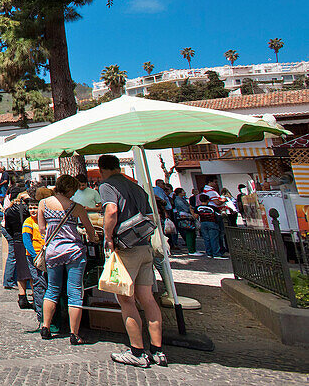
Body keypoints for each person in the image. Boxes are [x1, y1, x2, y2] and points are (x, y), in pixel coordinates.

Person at [98, 154, 167, 368]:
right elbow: (148, 215)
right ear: (119, 166)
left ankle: (137, 351)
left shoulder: (107, 185)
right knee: (147, 298)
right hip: (144, 246)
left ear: (102, 170)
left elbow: (111, 210)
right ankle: (157, 350)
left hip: (126, 249)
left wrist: (108, 237)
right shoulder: (136, 187)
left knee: (126, 300)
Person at [38, 175, 98, 345]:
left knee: (52, 290)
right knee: (75, 293)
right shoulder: (76, 207)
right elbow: (90, 229)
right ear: (70, 189)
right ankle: (74, 333)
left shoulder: (44, 204)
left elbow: (42, 229)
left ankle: (46, 327)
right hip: (73, 252)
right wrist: (92, 238)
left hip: (53, 251)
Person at [22, 188, 52, 323]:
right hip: (34, 256)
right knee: (39, 282)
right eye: (31, 208)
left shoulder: (45, 219)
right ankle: (41, 314)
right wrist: (34, 255)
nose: (33, 210)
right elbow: (26, 240)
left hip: (47, 254)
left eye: (35, 208)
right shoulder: (28, 222)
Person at [4, 189, 33, 309]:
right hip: (29, 238)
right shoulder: (28, 210)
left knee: (21, 269)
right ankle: (36, 297)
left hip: (16, 239)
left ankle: (22, 297)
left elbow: (7, 227)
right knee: (32, 269)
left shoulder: (9, 211)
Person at [172, 187, 200, 255]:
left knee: (192, 232)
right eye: (183, 191)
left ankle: (193, 249)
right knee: (189, 232)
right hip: (185, 217)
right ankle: (191, 250)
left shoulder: (182, 199)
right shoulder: (178, 200)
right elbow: (186, 208)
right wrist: (190, 209)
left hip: (187, 216)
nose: (184, 192)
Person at [195, 194, 224, 258]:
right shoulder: (212, 208)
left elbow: (196, 216)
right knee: (214, 239)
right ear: (208, 200)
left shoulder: (198, 208)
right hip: (212, 223)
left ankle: (209, 253)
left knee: (206, 239)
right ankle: (216, 253)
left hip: (203, 223)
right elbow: (219, 214)